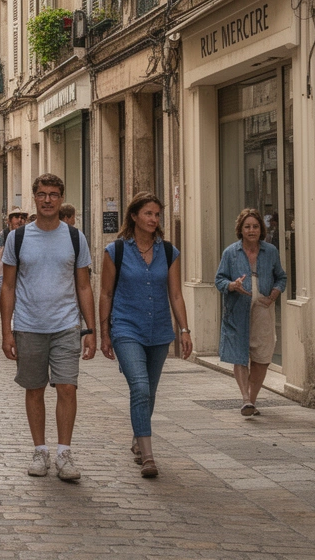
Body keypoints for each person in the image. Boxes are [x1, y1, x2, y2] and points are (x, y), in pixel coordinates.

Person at [0, 174, 97, 482]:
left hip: (66, 324)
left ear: (61, 198)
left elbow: (84, 286)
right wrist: (6, 332)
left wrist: (91, 330)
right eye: (42, 194)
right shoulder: (17, 238)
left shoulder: (75, 237)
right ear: (34, 197)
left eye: (54, 194)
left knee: (67, 387)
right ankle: (40, 450)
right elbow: (7, 286)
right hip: (28, 325)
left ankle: (64, 453)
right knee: (35, 388)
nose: (47, 200)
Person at [99, 192, 193, 479]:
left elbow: (175, 295)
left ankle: (138, 438)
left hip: (160, 330)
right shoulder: (115, 251)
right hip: (126, 327)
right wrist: (104, 333)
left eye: (157, 214)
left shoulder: (169, 252)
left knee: (149, 392)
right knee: (139, 387)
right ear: (134, 216)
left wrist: (184, 329)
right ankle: (148, 455)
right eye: (148, 213)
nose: (154, 219)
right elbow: (105, 293)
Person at [216, 208, 287, 417]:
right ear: (241, 229)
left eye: (255, 226)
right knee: (239, 354)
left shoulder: (270, 251)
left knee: (262, 356)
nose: (251, 230)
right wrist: (232, 285)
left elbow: (281, 277)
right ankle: (245, 399)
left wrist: (274, 294)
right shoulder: (230, 253)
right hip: (237, 309)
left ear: (261, 229)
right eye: (247, 226)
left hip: (263, 309)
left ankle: (252, 401)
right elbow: (219, 280)